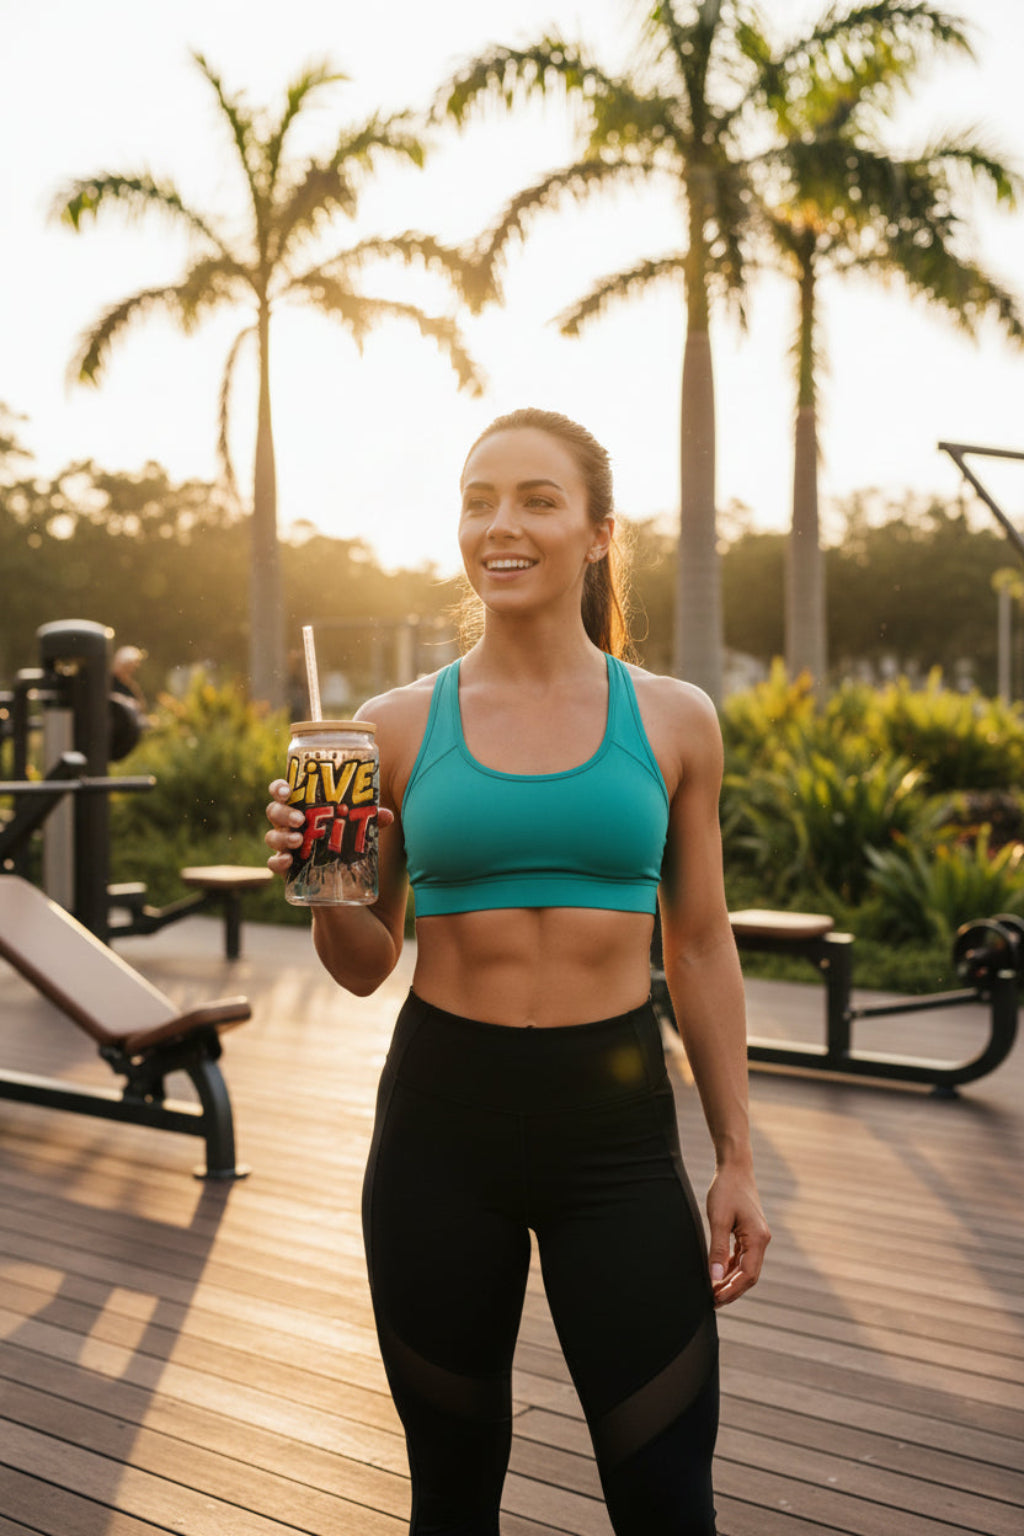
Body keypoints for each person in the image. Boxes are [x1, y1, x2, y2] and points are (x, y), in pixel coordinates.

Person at [265, 408, 769, 1535]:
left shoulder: (676, 719)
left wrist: (736, 1158)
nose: (501, 525)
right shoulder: (387, 728)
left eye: (537, 500)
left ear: (596, 534)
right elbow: (360, 968)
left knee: (665, 1494)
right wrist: (321, 882)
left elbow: (696, 942)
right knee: (449, 1494)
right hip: (441, 1134)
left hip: (618, 1136)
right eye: (476, 499)